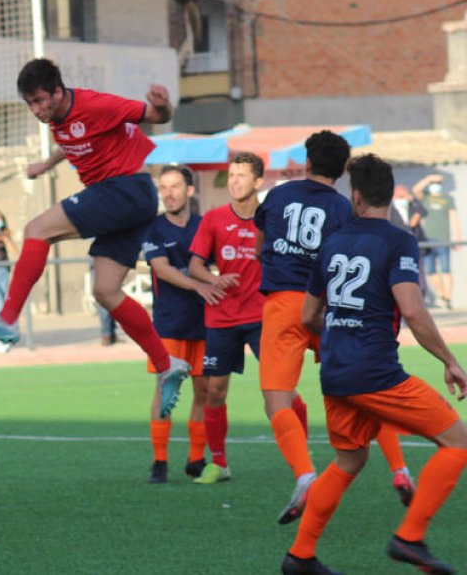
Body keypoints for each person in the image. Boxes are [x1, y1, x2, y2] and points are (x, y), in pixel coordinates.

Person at [0, 57, 191, 418]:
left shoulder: (97, 104)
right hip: (129, 203)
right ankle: (166, 364)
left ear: (57, 91)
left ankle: (6, 320)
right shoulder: (60, 118)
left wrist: (162, 103)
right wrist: (45, 165)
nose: (35, 110)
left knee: (37, 230)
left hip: (125, 189)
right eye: (29, 104)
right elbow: (73, 140)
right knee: (106, 291)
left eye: (39, 101)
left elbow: (157, 116)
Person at [281, 154, 467, 575]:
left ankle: (300, 557)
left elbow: (309, 316)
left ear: (356, 195)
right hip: (376, 373)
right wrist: (450, 361)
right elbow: (414, 312)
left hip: (336, 372)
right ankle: (410, 538)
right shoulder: (398, 240)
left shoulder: (333, 242)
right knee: (458, 443)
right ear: (386, 192)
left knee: (349, 461)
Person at [255, 132, 412, 525]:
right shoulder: (344, 208)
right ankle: (400, 469)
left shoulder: (278, 195)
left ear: (307, 161)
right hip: (331, 308)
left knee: (277, 398)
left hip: (283, 304)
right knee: (363, 391)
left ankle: (305, 474)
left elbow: (261, 245)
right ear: (344, 170)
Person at [187, 152, 266, 484]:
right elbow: (194, 266)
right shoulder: (214, 218)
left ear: (258, 182)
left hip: (264, 315)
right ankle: (219, 463)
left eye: (241, 176)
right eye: (231, 175)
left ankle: (301, 459)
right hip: (221, 317)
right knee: (215, 391)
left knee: (281, 388)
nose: (234, 181)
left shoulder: (271, 219)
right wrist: (213, 279)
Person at [141, 165, 215, 483]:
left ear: (189, 190)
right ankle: (159, 460)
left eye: (174, 187)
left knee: (203, 390)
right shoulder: (153, 228)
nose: (168, 193)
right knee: (165, 389)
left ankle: (196, 458)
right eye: (163, 187)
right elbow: (162, 268)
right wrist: (199, 284)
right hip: (169, 323)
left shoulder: (204, 225)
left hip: (204, 321)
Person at [413, 174, 459, 310]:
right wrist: (429, 179)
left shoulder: (447, 199)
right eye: (434, 183)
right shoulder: (426, 197)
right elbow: (416, 190)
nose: (436, 185)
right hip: (428, 239)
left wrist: (456, 237)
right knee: (431, 270)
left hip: (443, 239)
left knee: (446, 269)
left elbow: (454, 218)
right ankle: (441, 295)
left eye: (438, 183)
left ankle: (448, 298)